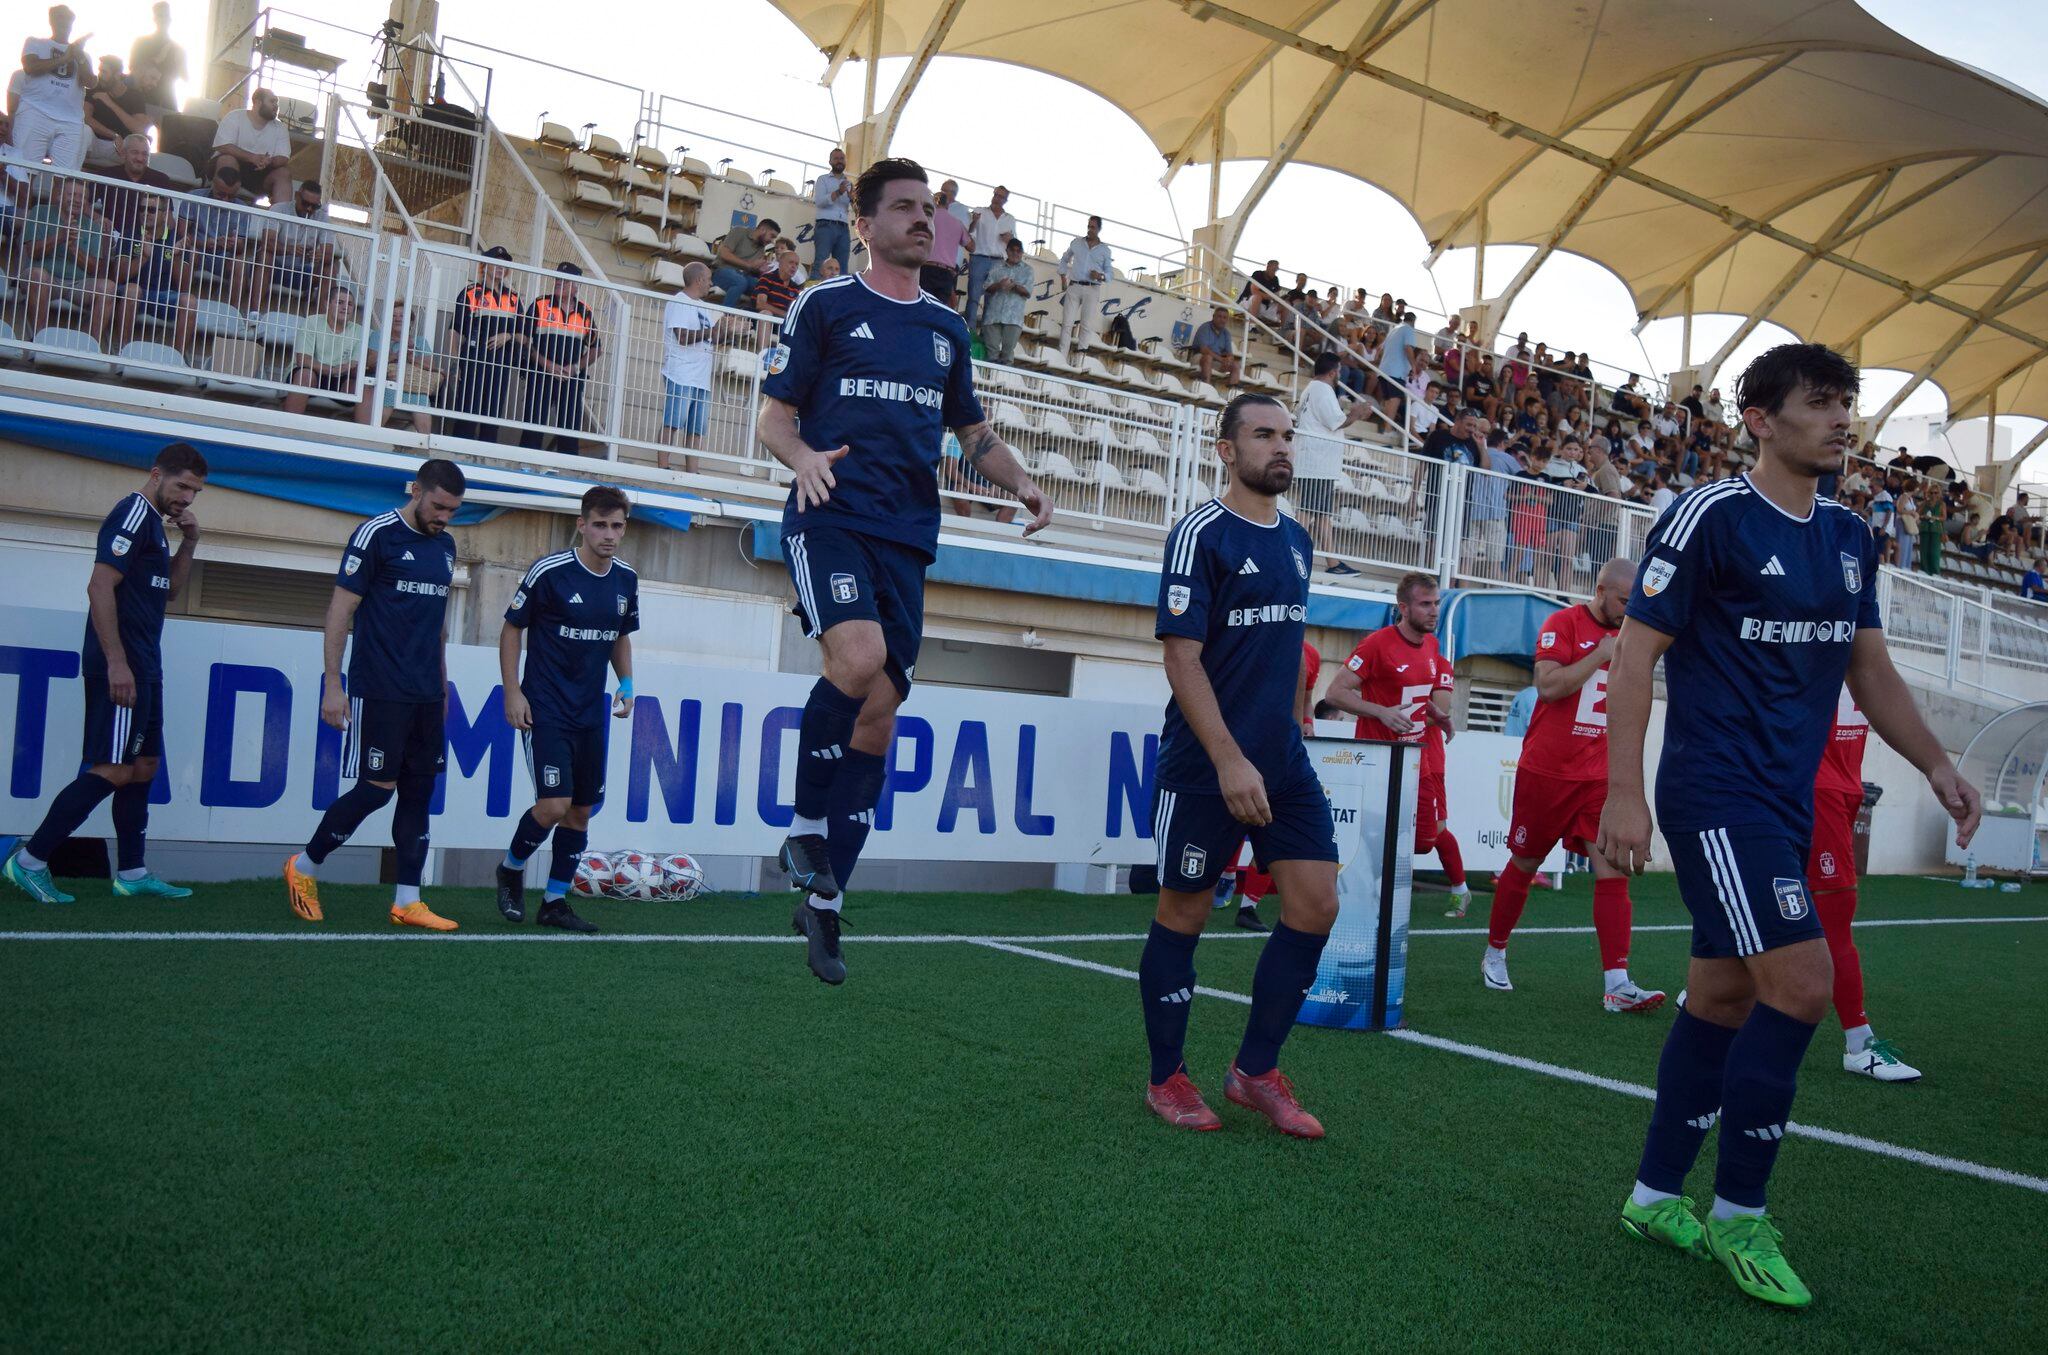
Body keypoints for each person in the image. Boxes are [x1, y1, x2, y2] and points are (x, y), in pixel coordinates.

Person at [1599, 343, 1979, 1308]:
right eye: (1820, 403)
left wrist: (1936, 761)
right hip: (1716, 794)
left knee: (1723, 995)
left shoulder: (1852, 535)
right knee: (1802, 983)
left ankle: (1651, 1198)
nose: (1842, 420)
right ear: (1760, 419)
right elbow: (1638, 655)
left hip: (1782, 796)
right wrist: (1624, 792)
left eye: (1847, 403)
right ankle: (1738, 1214)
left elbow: (1869, 669)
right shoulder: (1709, 519)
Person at [755, 156, 1053, 984]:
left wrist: (1022, 480)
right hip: (833, 517)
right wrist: (805, 456)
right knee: (855, 661)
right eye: (907, 208)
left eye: (930, 209)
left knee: (878, 714)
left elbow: (974, 434)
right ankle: (805, 827)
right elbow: (774, 419)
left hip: (909, 537)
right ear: (865, 223)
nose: (925, 220)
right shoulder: (825, 305)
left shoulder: (946, 329)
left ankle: (823, 905)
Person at [1140, 394, 1340, 1137]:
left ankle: (1254, 1070)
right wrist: (1228, 759)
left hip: (1282, 762)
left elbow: (1287, 649)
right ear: (1227, 450)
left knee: (1317, 904)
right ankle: (1167, 1080)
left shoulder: (1297, 540)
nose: (1281, 447)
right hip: (1204, 766)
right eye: (1264, 435)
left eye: (1288, 435)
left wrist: (1294, 724)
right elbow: (1181, 655)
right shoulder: (1200, 534)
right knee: (1183, 914)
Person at [3, 444, 206, 904]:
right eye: (182, 486)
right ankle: (31, 860)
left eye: (195, 491)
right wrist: (116, 661)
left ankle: (132, 873)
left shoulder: (157, 525)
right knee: (113, 768)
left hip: (146, 666)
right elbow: (99, 585)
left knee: (144, 767)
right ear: (156, 474)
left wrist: (191, 541)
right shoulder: (132, 514)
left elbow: (169, 591)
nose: (188, 498)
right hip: (123, 666)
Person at [284, 459, 469, 932]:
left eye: (453, 510)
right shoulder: (376, 535)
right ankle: (304, 867)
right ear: (417, 491)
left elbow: (438, 626)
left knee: (419, 792)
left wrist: (442, 684)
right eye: (439, 506)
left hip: (427, 693)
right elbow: (339, 611)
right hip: (379, 688)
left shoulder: (445, 546)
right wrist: (333, 684)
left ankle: (407, 900)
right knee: (375, 790)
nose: (444, 517)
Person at [1482, 559, 1664, 1008]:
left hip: (1597, 777)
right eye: (1624, 599)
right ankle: (1495, 951)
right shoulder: (1562, 622)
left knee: (1612, 869)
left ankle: (1617, 983)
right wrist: (1599, 654)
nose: (1630, 607)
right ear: (1601, 590)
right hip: (1548, 771)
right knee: (1525, 862)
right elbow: (1547, 687)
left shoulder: (1635, 633)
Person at [495, 486, 638, 932]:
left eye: (617, 526)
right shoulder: (550, 571)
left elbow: (620, 635)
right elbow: (511, 629)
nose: (609, 535)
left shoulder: (626, 579)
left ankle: (554, 902)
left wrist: (627, 683)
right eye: (600, 524)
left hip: (590, 712)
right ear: (582, 524)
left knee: (581, 810)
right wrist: (512, 691)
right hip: (546, 709)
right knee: (554, 805)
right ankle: (511, 868)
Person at [1323, 573, 1461, 899]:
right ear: (1404, 607)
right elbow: (1335, 693)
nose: (1434, 611)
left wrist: (1434, 714)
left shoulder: (1432, 645)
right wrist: (1381, 711)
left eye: (1436, 603)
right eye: (1425, 604)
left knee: (1426, 839)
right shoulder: (1376, 644)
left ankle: (1380, 886)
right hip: (1379, 760)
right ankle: (1369, 895)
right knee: (1377, 836)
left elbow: (1415, 694)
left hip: (1417, 758)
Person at [1806, 687, 1919, 1081]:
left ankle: (1705, 994)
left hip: (1842, 784)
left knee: (1784, 903)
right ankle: (1859, 1043)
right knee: (1835, 917)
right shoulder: (1812, 630)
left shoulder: (1862, 639)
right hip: (1817, 788)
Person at [18, 173, 117, 345]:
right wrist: (61, 237)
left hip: (77, 283)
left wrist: (74, 249)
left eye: (83, 197)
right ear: (59, 196)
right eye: (72, 195)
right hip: (46, 277)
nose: (78, 200)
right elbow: (32, 251)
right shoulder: (40, 212)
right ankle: (40, 340)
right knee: (38, 275)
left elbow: (96, 269)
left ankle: (88, 345)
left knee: (108, 287)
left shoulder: (92, 226)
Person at [1295, 351, 1371, 573]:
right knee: (1308, 513)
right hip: (1316, 462)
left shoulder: (1312, 389)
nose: (1340, 374)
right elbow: (1336, 422)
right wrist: (1356, 413)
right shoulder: (1323, 389)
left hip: (1317, 461)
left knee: (1320, 515)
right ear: (1332, 371)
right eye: (1339, 370)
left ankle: (1332, 562)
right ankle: (1291, 554)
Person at [440, 246, 524, 442]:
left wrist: (509, 336)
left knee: (492, 415)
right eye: (495, 263)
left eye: (504, 265)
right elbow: (455, 330)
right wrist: (454, 364)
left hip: (500, 365)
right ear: (484, 266)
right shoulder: (471, 292)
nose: (500, 268)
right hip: (473, 362)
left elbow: (525, 336)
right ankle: (458, 453)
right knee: (467, 412)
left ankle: (486, 458)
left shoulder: (513, 298)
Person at [519, 262, 601, 454]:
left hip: (571, 379)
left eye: (564, 281)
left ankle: (568, 472)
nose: (558, 283)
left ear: (575, 286)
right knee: (533, 425)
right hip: (540, 376)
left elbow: (596, 348)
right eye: (557, 279)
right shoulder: (540, 304)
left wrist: (574, 368)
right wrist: (547, 365)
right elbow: (524, 341)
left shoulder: (585, 312)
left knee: (569, 429)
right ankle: (524, 466)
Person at [104, 183, 193, 353]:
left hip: (164, 296)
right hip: (132, 294)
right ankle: (124, 352)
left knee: (190, 302)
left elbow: (184, 286)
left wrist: (175, 256)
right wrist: (143, 257)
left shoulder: (178, 239)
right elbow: (119, 277)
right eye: (142, 208)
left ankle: (177, 358)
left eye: (152, 210)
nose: (145, 213)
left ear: (164, 213)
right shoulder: (130, 234)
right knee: (132, 290)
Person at [183, 162, 266, 322]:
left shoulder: (242, 208)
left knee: (240, 263)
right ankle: (183, 305)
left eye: (231, 196)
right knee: (190, 253)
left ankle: (232, 315)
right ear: (213, 183)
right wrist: (206, 243)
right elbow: (181, 235)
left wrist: (234, 244)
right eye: (221, 194)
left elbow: (241, 247)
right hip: (197, 251)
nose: (226, 200)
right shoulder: (194, 196)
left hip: (224, 257)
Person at [282, 284, 371, 422]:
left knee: (362, 385)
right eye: (340, 302)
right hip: (311, 374)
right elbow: (303, 361)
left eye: (350, 304)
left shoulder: (361, 331)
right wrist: (334, 369)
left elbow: (354, 366)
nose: (345, 307)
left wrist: (346, 369)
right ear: (327, 304)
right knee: (305, 375)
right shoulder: (311, 322)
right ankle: (287, 425)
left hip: (341, 378)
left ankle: (358, 436)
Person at [659, 260, 717, 471]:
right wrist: (713, 332)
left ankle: (693, 472)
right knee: (673, 421)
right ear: (699, 279)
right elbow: (682, 337)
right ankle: (663, 467)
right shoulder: (679, 302)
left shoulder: (704, 307)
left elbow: (711, 339)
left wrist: (729, 331)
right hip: (681, 372)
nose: (711, 284)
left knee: (696, 428)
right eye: (709, 279)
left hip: (701, 376)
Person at [16, 6, 89, 171]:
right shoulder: (35, 42)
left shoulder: (81, 53)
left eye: (68, 19)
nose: (64, 21)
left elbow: (91, 82)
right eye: (59, 17)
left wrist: (80, 58)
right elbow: (30, 67)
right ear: (51, 20)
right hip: (35, 112)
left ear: (72, 23)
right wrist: (65, 57)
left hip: (70, 121)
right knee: (23, 172)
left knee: (64, 179)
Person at [211, 86, 293, 205]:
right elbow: (223, 146)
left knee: (284, 173)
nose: (276, 105)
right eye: (272, 101)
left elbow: (283, 157)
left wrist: (268, 161)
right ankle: (219, 206)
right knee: (227, 159)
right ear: (258, 102)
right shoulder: (235, 116)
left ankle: (280, 220)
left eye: (277, 102)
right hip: (228, 166)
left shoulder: (280, 127)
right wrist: (252, 157)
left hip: (260, 174)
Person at [258, 177, 334, 304]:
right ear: (297, 196)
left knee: (329, 268)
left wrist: (319, 256)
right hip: (275, 267)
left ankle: (322, 320)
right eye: (305, 203)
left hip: (303, 272)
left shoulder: (323, 218)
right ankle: (254, 312)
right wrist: (290, 249)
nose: (309, 209)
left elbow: (329, 254)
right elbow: (267, 242)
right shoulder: (279, 209)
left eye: (315, 206)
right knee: (264, 256)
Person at [1056, 214, 1111, 360]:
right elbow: (1064, 259)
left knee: (1086, 325)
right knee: (1067, 323)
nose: (1090, 230)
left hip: (1092, 288)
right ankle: (1062, 356)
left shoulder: (1105, 250)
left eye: (1093, 227)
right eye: (1088, 226)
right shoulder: (1077, 242)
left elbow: (1109, 274)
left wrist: (1100, 276)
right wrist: (1063, 276)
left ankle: (1080, 358)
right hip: (1074, 285)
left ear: (1099, 229)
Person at [962, 184, 1015, 326]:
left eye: (1000, 196)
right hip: (979, 258)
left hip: (999, 262)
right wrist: (974, 221)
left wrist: (1010, 240)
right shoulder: (979, 212)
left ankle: (985, 336)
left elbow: (1014, 244)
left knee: (991, 301)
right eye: (996, 194)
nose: (996, 198)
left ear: (1005, 200)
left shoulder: (1010, 219)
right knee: (973, 298)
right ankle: (970, 333)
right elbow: (969, 232)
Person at [976, 234, 1033, 363]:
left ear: (1022, 253)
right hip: (993, 315)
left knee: (1007, 355)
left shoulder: (1028, 270)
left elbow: (1027, 292)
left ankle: (1002, 382)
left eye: (1018, 251)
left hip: (1013, 317)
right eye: (1012, 250)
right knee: (991, 355)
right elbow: (987, 288)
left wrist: (1014, 286)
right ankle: (990, 382)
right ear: (1007, 250)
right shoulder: (996, 267)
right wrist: (999, 285)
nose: (1015, 253)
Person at [82, 56, 149, 165]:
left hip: (120, 148)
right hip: (95, 144)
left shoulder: (135, 96)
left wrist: (109, 102)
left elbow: (139, 130)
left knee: (138, 149)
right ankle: (72, 176)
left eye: (104, 72)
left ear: (117, 75)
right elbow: (86, 118)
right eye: (99, 70)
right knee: (84, 130)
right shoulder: (94, 88)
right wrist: (114, 135)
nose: (100, 75)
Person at [710, 217, 779, 313]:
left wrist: (761, 270)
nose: (772, 241)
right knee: (740, 281)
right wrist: (749, 265)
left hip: (744, 275)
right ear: (763, 229)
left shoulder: (761, 247)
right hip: (721, 270)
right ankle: (725, 316)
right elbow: (724, 254)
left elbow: (752, 269)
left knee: (761, 287)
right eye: (772, 236)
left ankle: (752, 320)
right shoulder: (738, 231)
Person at [128, 3, 185, 112]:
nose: (163, 19)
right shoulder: (141, 42)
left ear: (170, 19)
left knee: (173, 127)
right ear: (154, 18)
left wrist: (181, 62)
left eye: (166, 16)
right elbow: (133, 68)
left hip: (167, 98)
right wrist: (157, 59)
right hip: (142, 96)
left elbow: (183, 76)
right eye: (160, 16)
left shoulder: (177, 48)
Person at [809, 147, 850, 276]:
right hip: (825, 225)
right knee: (821, 262)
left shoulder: (849, 183)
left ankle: (840, 295)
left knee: (842, 266)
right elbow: (820, 202)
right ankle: (814, 293)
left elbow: (853, 207)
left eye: (842, 158)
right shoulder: (823, 179)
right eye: (836, 158)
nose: (839, 161)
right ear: (830, 162)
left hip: (843, 227)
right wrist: (839, 192)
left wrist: (854, 198)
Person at [1189, 305, 1240, 388]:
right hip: (1199, 358)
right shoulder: (1205, 327)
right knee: (1208, 358)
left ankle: (1232, 394)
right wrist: (1221, 359)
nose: (1222, 320)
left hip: (1216, 361)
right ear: (1213, 317)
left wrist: (1229, 360)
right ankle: (1207, 388)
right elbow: (1204, 350)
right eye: (1219, 316)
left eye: (1224, 318)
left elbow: (1229, 353)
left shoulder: (1226, 333)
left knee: (1236, 365)